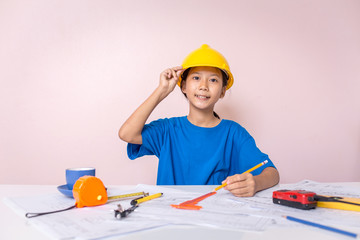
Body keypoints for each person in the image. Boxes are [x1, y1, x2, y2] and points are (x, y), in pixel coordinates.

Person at [119, 44, 279, 197]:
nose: (203, 86)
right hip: (170, 216)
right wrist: (162, 91)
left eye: (213, 80)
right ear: (183, 87)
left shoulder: (233, 133)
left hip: (212, 218)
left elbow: (272, 173)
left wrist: (256, 183)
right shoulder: (168, 130)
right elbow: (127, 134)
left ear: (223, 91)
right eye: (196, 78)